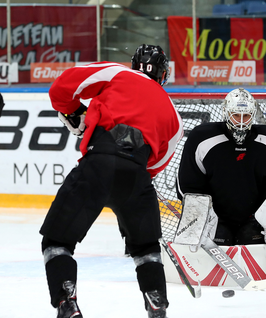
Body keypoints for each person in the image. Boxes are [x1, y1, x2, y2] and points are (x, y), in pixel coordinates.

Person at [39, 44, 183, 318]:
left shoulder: (116, 73)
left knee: (56, 242)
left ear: (134, 64)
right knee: (147, 249)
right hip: (137, 176)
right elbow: (157, 163)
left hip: (97, 165)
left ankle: (67, 302)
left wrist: (75, 113)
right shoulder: (173, 115)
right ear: (163, 73)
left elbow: (60, 89)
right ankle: (157, 302)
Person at [176, 88, 266, 246]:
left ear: (253, 115)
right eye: (236, 115)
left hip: (254, 217)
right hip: (212, 217)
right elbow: (188, 185)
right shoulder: (201, 139)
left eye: (246, 115)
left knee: (251, 238)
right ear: (226, 113)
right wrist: (205, 219)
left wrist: (262, 220)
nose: (241, 121)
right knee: (220, 238)